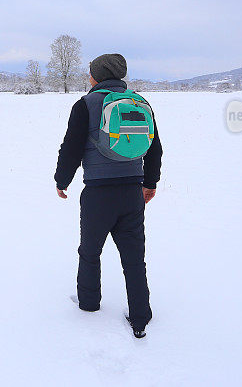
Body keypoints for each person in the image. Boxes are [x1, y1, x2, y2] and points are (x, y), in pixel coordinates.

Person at [54, 53, 163, 338]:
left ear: (97, 76)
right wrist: (150, 183)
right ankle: (140, 315)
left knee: (90, 252)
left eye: (90, 73)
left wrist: (61, 181)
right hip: (132, 193)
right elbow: (154, 148)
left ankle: (89, 304)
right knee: (134, 257)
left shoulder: (86, 104)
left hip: (98, 195)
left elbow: (71, 148)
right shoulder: (141, 103)